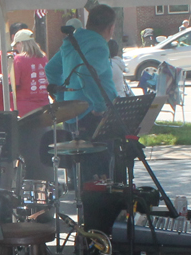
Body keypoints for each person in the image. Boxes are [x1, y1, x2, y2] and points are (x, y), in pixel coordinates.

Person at [45, 4, 117, 180]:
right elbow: (86, 72)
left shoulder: (74, 41)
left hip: (72, 113)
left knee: (78, 174)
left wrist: (62, 99)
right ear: (110, 28)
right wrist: (99, 106)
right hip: (93, 114)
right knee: (100, 174)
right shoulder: (99, 44)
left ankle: (83, 205)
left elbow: (51, 69)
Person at [0, 22, 28, 111]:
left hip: (27, 106)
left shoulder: (31, 56)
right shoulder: (1, 56)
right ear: (14, 37)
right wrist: (0, 109)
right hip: (7, 108)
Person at [11, 29, 49, 117]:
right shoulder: (43, 57)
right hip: (44, 105)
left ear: (21, 43)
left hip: (25, 108)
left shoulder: (19, 59)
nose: (16, 48)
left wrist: (3, 79)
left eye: (16, 45)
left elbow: (14, 84)